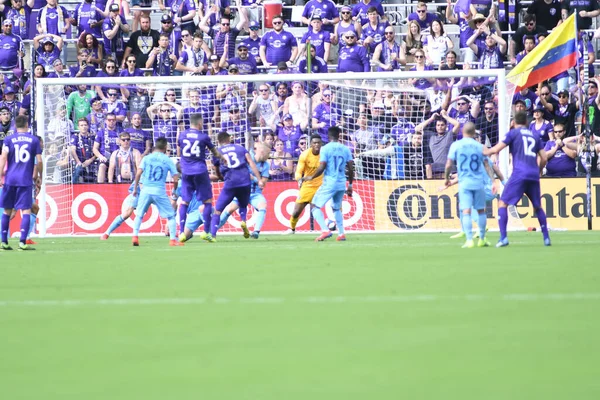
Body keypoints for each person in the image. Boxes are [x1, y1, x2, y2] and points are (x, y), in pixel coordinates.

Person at [484, 111, 551, 247]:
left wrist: (482, 150)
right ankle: (546, 238)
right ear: (526, 123)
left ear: (513, 123)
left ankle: (503, 238)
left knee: (502, 203)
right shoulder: (535, 135)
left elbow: (495, 150)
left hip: (519, 173)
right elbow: (544, 157)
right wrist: (539, 170)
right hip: (533, 174)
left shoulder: (513, 133)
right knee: (538, 206)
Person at [209, 131, 264, 242]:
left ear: (219, 142)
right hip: (245, 181)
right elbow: (251, 163)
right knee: (242, 204)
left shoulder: (217, 152)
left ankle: (213, 235)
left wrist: (220, 177)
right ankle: (243, 221)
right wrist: (259, 179)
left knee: (218, 210)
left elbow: (216, 168)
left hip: (230, 183)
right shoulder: (240, 148)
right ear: (229, 139)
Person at [176, 113, 222, 242]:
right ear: (200, 123)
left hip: (186, 171)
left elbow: (179, 148)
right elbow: (214, 153)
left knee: (184, 201)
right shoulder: (203, 136)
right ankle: (206, 232)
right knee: (207, 201)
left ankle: (181, 232)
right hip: (200, 171)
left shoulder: (182, 135)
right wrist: (221, 157)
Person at [303, 126, 354, 242]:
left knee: (314, 206)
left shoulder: (325, 149)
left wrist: (312, 176)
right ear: (339, 135)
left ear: (328, 136)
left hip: (330, 182)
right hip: (342, 183)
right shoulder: (345, 149)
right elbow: (351, 168)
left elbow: (322, 166)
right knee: (336, 208)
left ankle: (325, 230)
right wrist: (350, 185)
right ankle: (341, 234)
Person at [0, 115, 42, 251]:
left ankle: (4, 242)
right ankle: (22, 242)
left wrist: (0, 174)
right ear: (27, 124)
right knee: (26, 211)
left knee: (7, 211)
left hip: (10, 179)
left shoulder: (8, 139)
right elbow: (39, 161)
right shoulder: (33, 140)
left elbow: (3, 157)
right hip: (25, 180)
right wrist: (39, 176)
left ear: (15, 125)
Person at [444, 122, 489, 248]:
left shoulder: (456, 145)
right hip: (478, 182)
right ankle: (482, 238)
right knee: (481, 211)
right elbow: (487, 164)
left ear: (462, 131)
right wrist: (493, 180)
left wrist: (446, 178)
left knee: (466, 211)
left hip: (464, 183)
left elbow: (448, 164)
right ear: (474, 132)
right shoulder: (480, 146)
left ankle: (469, 240)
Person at [131, 137, 181, 247]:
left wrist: (135, 189)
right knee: (171, 216)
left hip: (146, 190)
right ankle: (173, 240)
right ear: (164, 147)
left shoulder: (147, 158)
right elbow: (176, 178)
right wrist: (175, 190)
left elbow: (138, 174)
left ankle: (135, 236)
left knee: (139, 214)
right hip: (159, 191)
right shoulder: (167, 160)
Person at [216, 142, 271, 239]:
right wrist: (255, 179)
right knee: (229, 209)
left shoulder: (266, 165)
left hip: (255, 193)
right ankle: (213, 230)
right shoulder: (247, 157)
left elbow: (263, 182)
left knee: (263, 206)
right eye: (268, 154)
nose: (269, 156)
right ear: (262, 152)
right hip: (241, 190)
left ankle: (256, 232)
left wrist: (255, 180)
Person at [285, 134, 323, 234]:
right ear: (310, 144)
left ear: (321, 143)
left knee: (331, 205)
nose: (317, 145)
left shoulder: (324, 154)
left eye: (318, 143)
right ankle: (292, 228)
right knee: (296, 211)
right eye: (314, 143)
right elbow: (298, 171)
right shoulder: (305, 155)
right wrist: (299, 179)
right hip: (308, 186)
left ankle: (331, 226)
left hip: (322, 186)